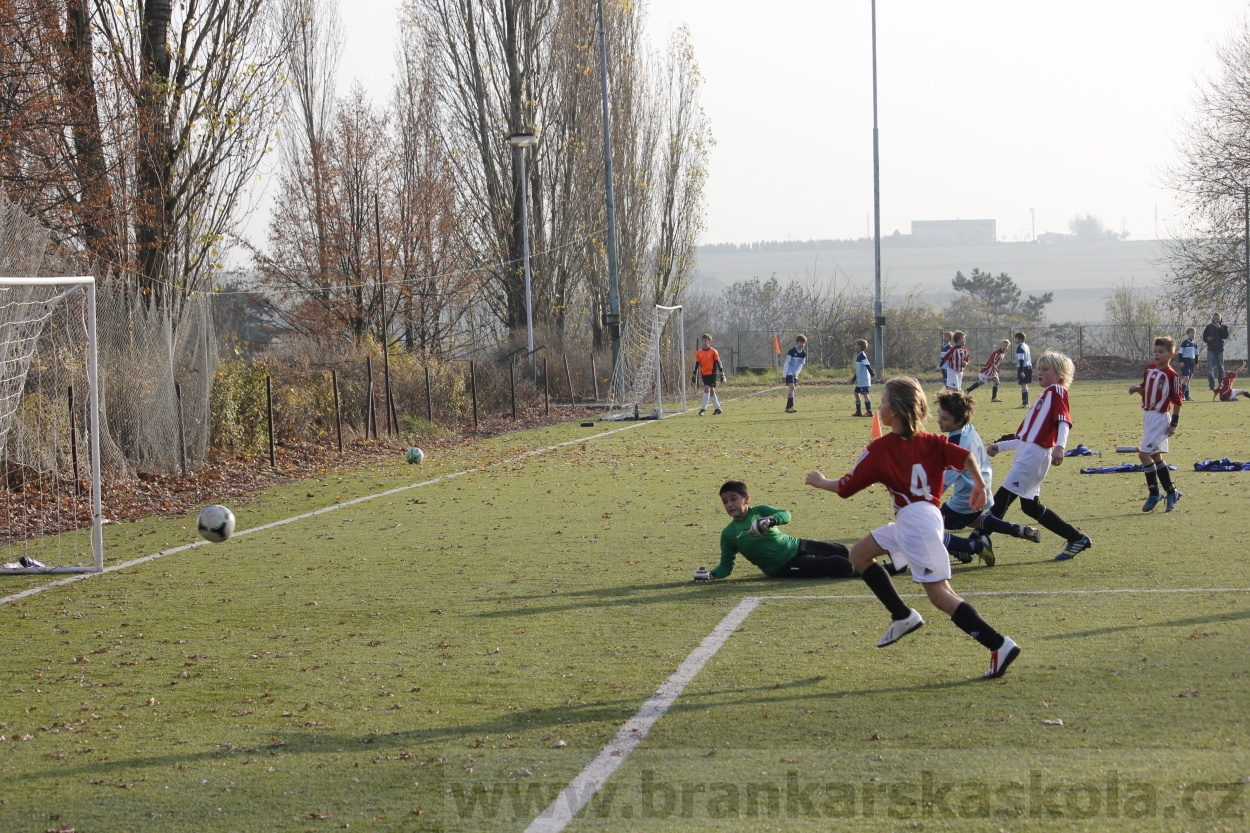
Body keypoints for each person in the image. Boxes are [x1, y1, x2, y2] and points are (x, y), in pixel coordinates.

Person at [804, 376, 1021, 678]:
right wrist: (980, 486)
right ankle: (902, 615)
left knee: (941, 595)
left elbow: (845, 487)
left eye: (882, 402)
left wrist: (818, 481)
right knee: (859, 554)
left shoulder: (880, 449)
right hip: (920, 518)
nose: (879, 408)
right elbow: (968, 456)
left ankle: (998, 644)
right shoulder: (933, 441)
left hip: (915, 522)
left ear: (894, 410)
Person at [985, 351, 1092, 560]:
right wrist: (1001, 446)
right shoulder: (1045, 395)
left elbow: (1064, 421)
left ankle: (975, 540)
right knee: (1030, 506)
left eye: (1045, 369)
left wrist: (1061, 446)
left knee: (1002, 499)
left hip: (1034, 455)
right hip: (1029, 453)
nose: (1039, 372)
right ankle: (1076, 538)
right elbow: (1026, 437)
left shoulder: (1057, 391)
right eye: (1039, 368)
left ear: (1060, 374)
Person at [934, 389, 1042, 567]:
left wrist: (925, 501)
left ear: (959, 420)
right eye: (939, 416)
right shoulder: (967, 428)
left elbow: (943, 482)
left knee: (928, 525)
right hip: (984, 485)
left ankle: (972, 546)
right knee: (973, 519)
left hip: (968, 495)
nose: (939, 421)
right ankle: (1016, 529)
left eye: (945, 419)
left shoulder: (956, 444)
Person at [696, 481, 855, 580]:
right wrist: (711, 575)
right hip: (784, 566)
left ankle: (878, 567)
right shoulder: (729, 534)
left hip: (798, 545)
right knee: (841, 564)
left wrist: (770, 520)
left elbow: (786, 514)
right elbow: (726, 566)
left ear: (746, 499)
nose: (729, 505)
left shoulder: (760, 511)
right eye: (725, 502)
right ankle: (874, 573)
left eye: (733, 499)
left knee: (845, 551)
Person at [1129, 337, 1183, 512]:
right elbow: (1147, 388)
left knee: (1144, 455)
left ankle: (1154, 493)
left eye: (1161, 352)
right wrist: (1138, 389)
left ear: (1171, 354)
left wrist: (1174, 424)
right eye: (1155, 351)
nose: (1157, 355)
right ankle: (1172, 491)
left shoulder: (1172, 375)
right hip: (1148, 417)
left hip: (1160, 419)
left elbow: (1177, 401)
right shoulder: (1150, 369)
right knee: (1155, 456)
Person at [692, 334, 725, 416]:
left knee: (706, 389)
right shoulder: (699, 352)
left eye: (706, 341)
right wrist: (693, 374)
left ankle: (703, 409)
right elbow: (696, 364)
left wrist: (722, 374)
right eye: (703, 340)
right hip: (704, 373)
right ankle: (718, 408)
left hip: (712, 373)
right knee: (711, 391)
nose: (704, 342)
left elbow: (718, 362)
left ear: (709, 342)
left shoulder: (713, 351)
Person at [1203, 313, 1230, 391]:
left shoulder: (1224, 327)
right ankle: (1211, 385)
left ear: (1220, 319)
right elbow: (1204, 338)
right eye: (1215, 319)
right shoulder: (1209, 327)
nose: (1216, 320)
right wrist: (1208, 339)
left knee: (1221, 368)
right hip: (1211, 349)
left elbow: (1225, 336)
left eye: (1217, 319)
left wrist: (1220, 329)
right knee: (1210, 368)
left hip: (1220, 350)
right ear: (1213, 319)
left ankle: (1221, 385)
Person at [783, 335, 808, 413]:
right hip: (789, 373)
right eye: (801, 342)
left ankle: (788, 407)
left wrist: (796, 373)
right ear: (797, 342)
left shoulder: (803, 353)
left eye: (804, 343)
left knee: (793, 390)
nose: (802, 344)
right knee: (792, 388)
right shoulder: (791, 351)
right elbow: (786, 363)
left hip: (795, 374)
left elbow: (801, 365)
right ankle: (791, 407)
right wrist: (784, 375)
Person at [852, 338, 874, 417]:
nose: (855, 346)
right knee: (856, 393)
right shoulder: (859, 355)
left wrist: (872, 374)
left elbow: (867, 365)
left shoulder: (862, 355)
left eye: (856, 345)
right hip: (860, 381)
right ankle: (858, 411)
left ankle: (869, 411)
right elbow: (859, 370)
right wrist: (853, 379)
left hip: (864, 380)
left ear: (859, 346)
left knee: (865, 394)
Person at [1178, 327, 1199, 401]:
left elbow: (1196, 355)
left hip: (1191, 361)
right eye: (1192, 333)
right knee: (1186, 377)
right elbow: (1180, 353)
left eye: (1194, 333)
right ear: (1188, 334)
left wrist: (1196, 363)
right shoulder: (1184, 343)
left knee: (1189, 379)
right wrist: (1181, 361)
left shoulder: (1195, 344)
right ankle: (1181, 394)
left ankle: (1187, 396)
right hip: (1185, 361)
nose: (1193, 335)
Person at [1013, 331, 1033, 408]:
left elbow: (1021, 359)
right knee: (1024, 385)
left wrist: (1021, 371)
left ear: (1020, 339)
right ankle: (1026, 403)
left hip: (1023, 367)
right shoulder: (1026, 346)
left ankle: (1025, 403)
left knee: (1023, 385)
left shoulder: (1020, 347)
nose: (1015, 340)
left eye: (1016, 338)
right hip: (1028, 366)